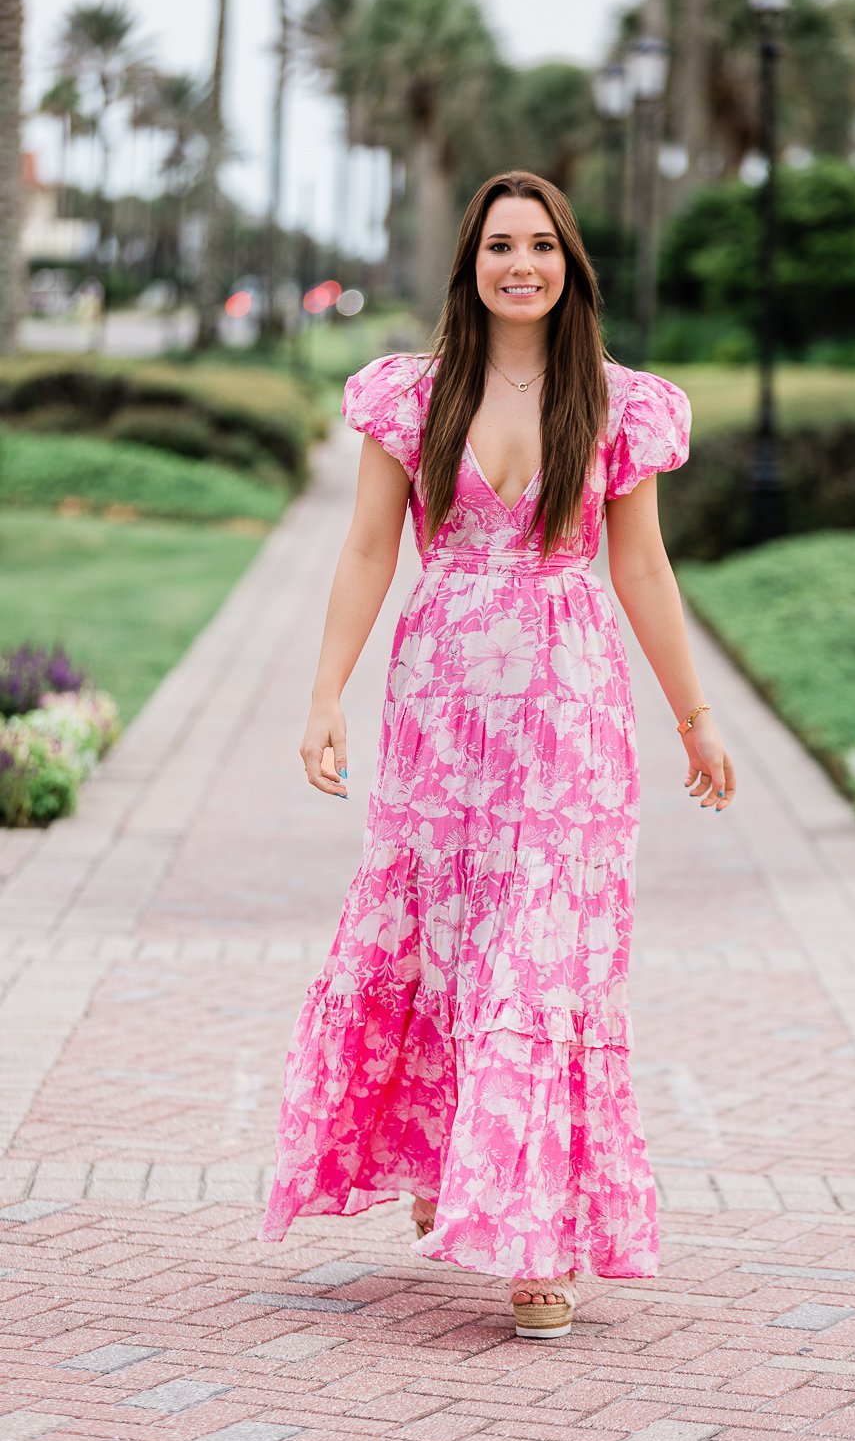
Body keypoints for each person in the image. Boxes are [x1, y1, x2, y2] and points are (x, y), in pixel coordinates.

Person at [257, 170, 736, 1340]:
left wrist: (695, 715)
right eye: (498, 247)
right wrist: (326, 694)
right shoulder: (410, 395)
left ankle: (539, 1239)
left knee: (543, 965)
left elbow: (641, 570)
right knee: (449, 950)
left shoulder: (619, 403)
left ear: (570, 264)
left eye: (540, 246)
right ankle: (450, 1162)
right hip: (440, 718)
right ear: (468, 265)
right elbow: (371, 551)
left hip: (568, 726)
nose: (519, 265)